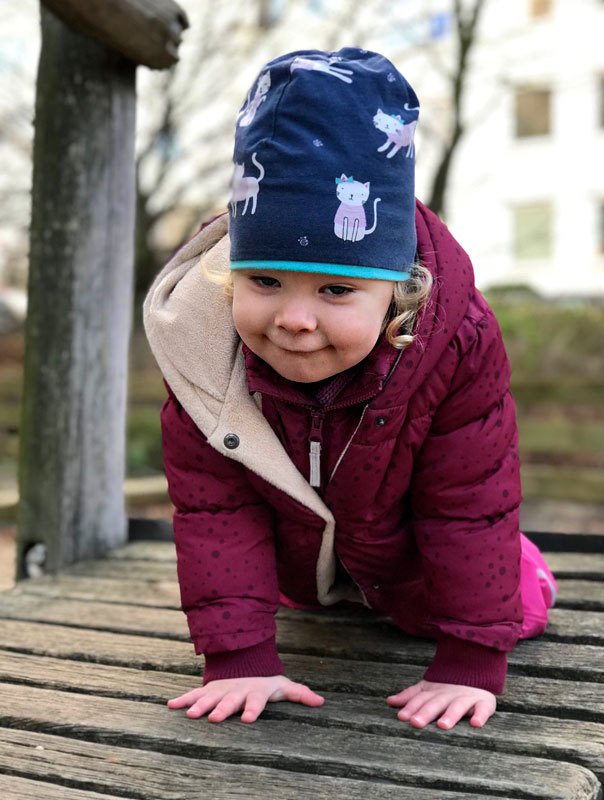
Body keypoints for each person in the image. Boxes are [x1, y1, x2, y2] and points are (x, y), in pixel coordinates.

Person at [143, 47, 557, 731]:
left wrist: (470, 659)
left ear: (397, 292)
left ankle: (518, 575)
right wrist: (239, 657)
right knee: (301, 593)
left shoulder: (454, 348)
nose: (295, 319)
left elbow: (468, 501)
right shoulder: (203, 353)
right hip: (308, 570)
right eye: (265, 282)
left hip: (418, 563)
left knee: (511, 595)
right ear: (231, 278)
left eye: (336, 290)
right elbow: (215, 511)